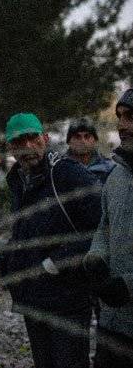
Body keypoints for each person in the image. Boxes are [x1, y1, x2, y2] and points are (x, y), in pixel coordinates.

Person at [0, 113, 101, 368]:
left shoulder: (68, 175)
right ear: (11, 147)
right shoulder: (17, 180)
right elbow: (22, 233)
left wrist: (55, 263)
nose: (27, 147)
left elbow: (101, 230)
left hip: (67, 298)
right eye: (19, 142)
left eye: (32, 139)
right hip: (33, 298)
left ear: (44, 138)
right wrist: (0, 264)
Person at [83, 89, 133, 367]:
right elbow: (104, 226)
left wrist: (128, 285)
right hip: (112, 324)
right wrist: (96, 257)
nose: (122, 126)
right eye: (120, 117)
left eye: (131, 117)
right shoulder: (116, 176)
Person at [65, 117, 115, 184]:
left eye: (87, 136)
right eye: (77, 137)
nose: (83, 141)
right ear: (69, 141)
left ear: (95, 140)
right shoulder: (58, 168)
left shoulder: (110, 168)